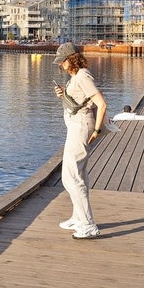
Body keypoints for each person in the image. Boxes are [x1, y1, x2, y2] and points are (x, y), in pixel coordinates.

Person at [52, 42, 106, 238]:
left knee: (71, 176)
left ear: (71, 59)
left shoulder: (82, 76)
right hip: (76, 125)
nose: (61, 65)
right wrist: (63, 95)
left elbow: (101, 103)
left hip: (81, 126)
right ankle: (77, 217)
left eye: (63, 61)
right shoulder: (77, 76)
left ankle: (87, 224)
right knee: (78, 173)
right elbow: (80, 101)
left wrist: (97, 130)